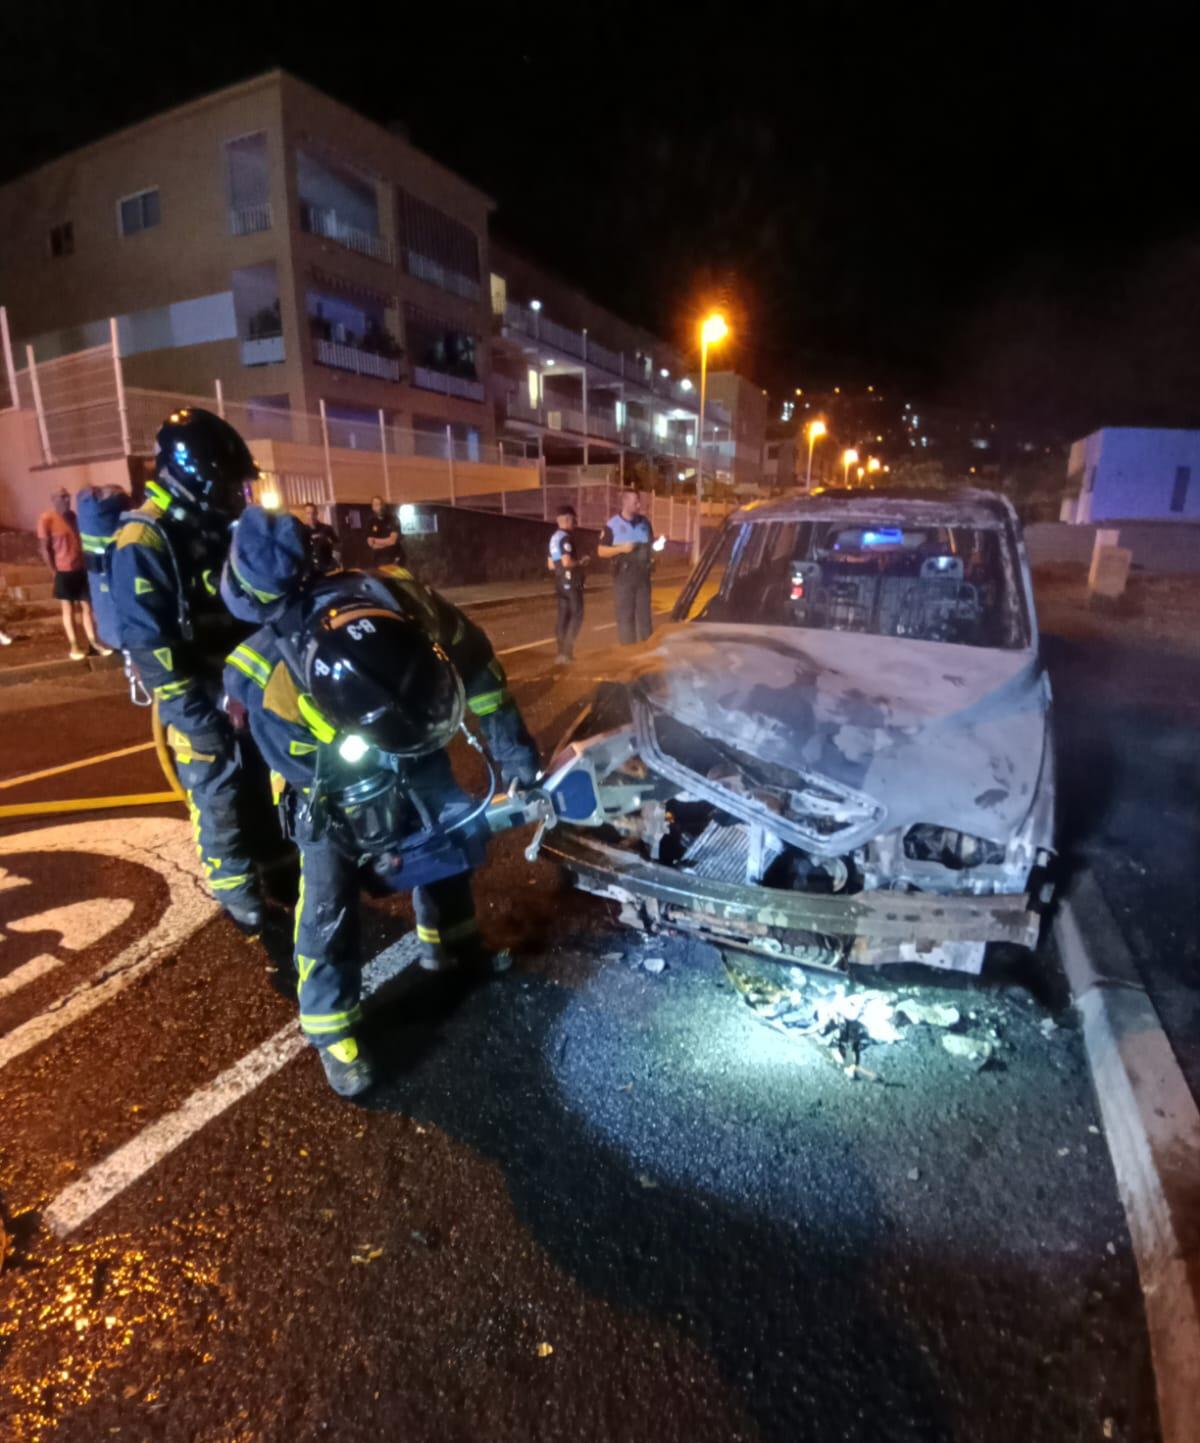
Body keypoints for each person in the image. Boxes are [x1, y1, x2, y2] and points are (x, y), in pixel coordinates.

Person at [222, 507, 540, 1098]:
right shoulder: (265, 673)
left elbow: (481, 671)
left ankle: (453, 947)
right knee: (329, 896)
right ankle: (331, 1029)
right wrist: (376, 827)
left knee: (448, 832)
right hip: (326, 778)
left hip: (411, 729)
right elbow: (292, 761)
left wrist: (518, 760)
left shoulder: (403, 597)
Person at [109, 408, 265, 930]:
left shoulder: (218, 527)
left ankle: (280, 864)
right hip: (198, 690)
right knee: (217, 778)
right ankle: (236, 889)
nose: (236, 497)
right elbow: (151, 645)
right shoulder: (144, 541)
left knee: (271, 775)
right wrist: (207, 710)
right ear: (197, 478)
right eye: (228, 486)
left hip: (245, 680)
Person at [37, 488, 113, 661]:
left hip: (80, 567)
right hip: (63, 569)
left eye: (67, 496)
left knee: (87, 606)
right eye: (61, 497)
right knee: (68, 608)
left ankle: (94, 642)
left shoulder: (73, 518)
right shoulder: (47, 519)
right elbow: (45, 548)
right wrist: (53, 571)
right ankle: (74, 645)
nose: (66, 500)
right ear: (53, 499)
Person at [597, 489, 663, 645]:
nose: (639, 505)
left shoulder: (645, 523)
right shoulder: (612, 525)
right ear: (625, 502)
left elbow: (651, 547)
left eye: (639, 502)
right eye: (635, 502)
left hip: (643, 578)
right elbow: (601, 551)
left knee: (645, 620)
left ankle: (647, 654)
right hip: (623, 578)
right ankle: (628, 654)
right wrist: (621, 549)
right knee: (626, 619)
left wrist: (658, 547)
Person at [547, 504, 587, 664]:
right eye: (573, 520)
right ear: (568, 519)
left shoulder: (554, 538)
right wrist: (581, 562)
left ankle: (560, 653)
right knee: (577, 614)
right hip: (570, 580)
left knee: (562, 617)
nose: (574, 524)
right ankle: (567, 653)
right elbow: (567, 561)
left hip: (559, 580)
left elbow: (550, 564)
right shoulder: (565, 537)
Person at [365, 495, 404, 568]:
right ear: (372, 507)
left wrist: (375, 541)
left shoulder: (392, 519)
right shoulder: (371, 521)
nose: (377, 507)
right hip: (378, 559)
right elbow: (370, 543)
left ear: (383, 506)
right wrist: (386, 542)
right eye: (375, 505)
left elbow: (392, 541)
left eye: (379, 504)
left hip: (393, 557)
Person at [301, 502, 341, 574]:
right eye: (308, 513)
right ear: (305, 514)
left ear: (317, 514)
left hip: (328, 568)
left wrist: (336, 558)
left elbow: (337, 544)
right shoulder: (302, 530)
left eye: (313, 513)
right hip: (310, 571)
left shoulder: (327, 528)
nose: (311, 516)